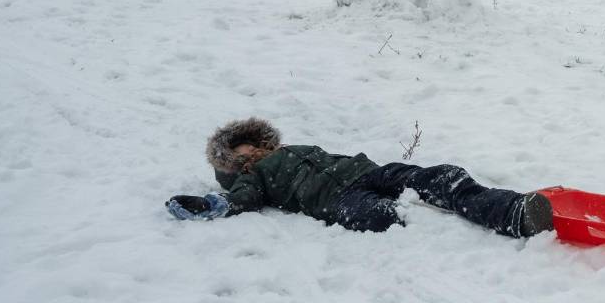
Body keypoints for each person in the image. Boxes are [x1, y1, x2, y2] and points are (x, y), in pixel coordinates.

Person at [165, 117, 554, 239]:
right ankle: (427, 225)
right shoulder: (254, 179)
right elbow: (242, 198)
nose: (256, 153)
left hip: (367, 171)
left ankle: (512, 211)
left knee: (440, 177)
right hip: (337, 202)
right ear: (237, 164)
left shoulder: (288, 149)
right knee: (380, 216)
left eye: (255, 146)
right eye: (245, 155)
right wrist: (215, 203)